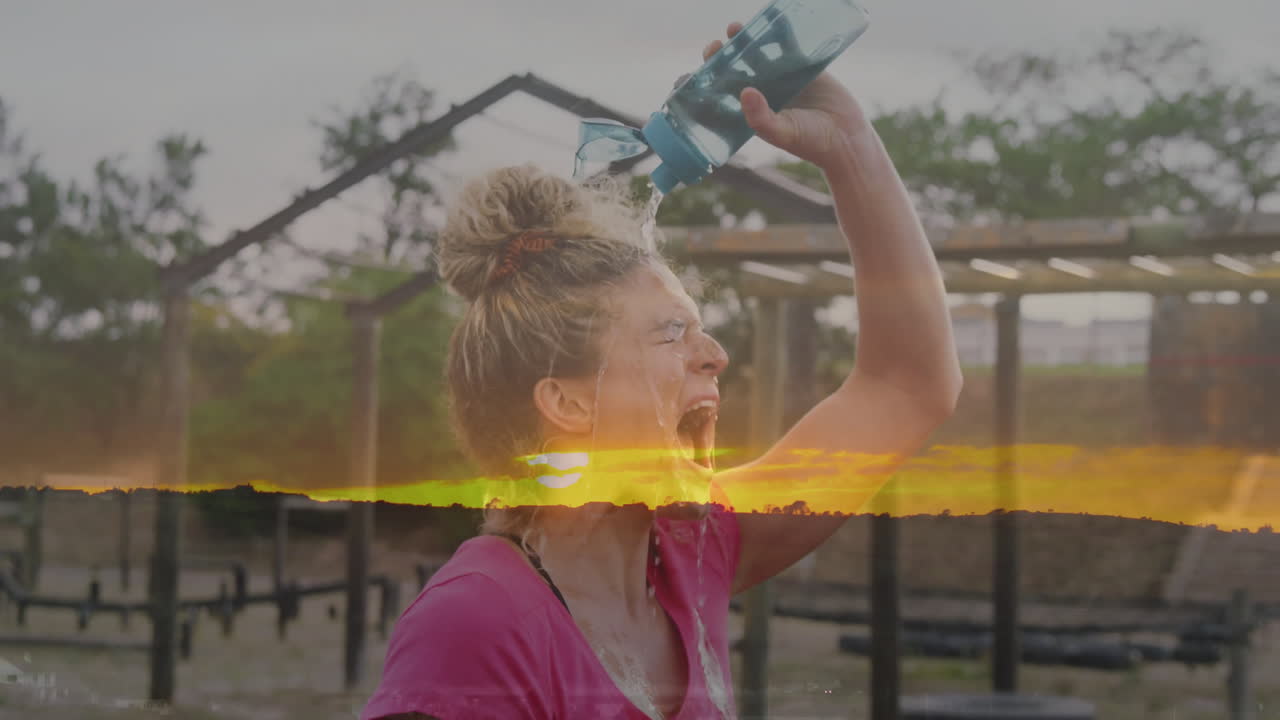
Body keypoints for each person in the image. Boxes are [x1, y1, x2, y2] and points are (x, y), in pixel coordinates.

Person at [362, 20, 961, 720]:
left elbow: (907, 386)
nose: (715, 355)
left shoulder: (689, 556)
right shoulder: (475, 627)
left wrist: (850, 148)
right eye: (672, 334)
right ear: (566, 402)